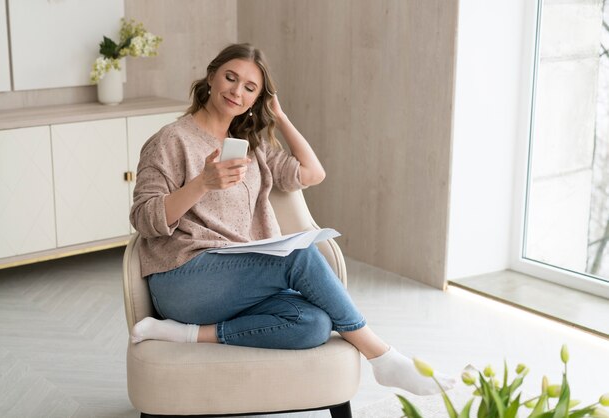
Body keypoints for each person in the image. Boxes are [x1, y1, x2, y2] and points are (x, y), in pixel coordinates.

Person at [129, 43, 454, 396]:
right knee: (298, 252)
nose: (237, 91)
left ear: (257, 99)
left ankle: (187, 334)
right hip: (182, 280)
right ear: (212, 77)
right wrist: (201, 184)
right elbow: (144, 219)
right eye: (231, 78)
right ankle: (383, 357)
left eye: (250, 88)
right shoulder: (169, 140)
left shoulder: (252, 147)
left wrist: (280, 117)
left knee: (314, 324)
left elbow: (313, 172)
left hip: (237, 282)